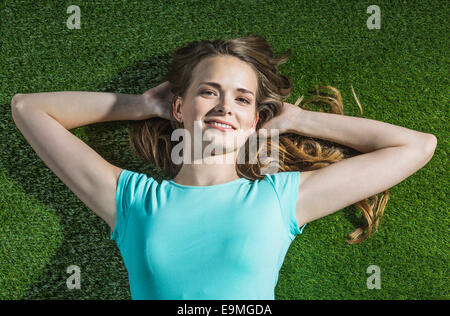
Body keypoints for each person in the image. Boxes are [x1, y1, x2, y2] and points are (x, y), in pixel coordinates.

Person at [11, 34, 437, 300]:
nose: (224, 107)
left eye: (242, 98)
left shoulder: (279, 198)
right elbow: (28, 108)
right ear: (179, 107)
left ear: (255, 119)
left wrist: (298, 118)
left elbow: (416, 146)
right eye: (209, 92)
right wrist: (140, 105)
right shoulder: (131, 200)